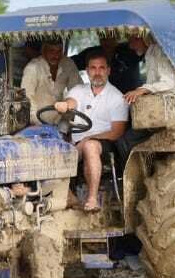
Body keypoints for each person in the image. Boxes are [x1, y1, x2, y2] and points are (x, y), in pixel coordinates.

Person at [51, 53, 128, 213]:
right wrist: (65, 105)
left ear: (108, 71)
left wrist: (89, 138)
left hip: (106, 143)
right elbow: (71, 102)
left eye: (101, 68)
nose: (97, 72)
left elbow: (117, 132)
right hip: (78, 142)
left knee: (90, 147)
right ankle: (61, 196)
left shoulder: (117, 97)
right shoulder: (78, 90)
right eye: (93, 68)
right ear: (87, 71)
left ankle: (92, 199)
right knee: (52, 145)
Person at [20, 38, 81, 125]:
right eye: (51, 51)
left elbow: (78, 91)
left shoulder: (68, 64)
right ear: (43, 51)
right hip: (37, 123)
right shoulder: (32, 68)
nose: (56, 56)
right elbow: (26, 98)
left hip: (61, 122)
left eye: (59, 51)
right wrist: (35, 124)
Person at [74, 35, 142, 94]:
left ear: (117, 38)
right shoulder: (92, 54)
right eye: (103, 38)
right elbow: (70, 63)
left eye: (110, 37)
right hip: (103, 101)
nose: (107, 42)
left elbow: (147, 49)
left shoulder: (129, 50)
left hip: (131, 98)